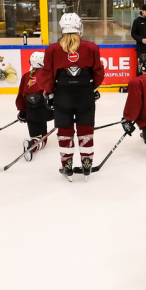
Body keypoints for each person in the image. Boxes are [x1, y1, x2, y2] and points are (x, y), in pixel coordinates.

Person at [36, 13, 105, 181]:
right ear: (79, 27)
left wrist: (49, 92)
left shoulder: (52, 49)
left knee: (65, 130)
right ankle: (87, 161)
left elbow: (46, 75)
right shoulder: (91, 48)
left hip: (62, 96)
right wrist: (92, 88)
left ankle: (66, 164)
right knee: (85, 129)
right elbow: (98, 73)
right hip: (85, 96)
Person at [16, 51, 54, 160]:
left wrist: (23, 112)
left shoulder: (26, 76)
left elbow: (20, 97)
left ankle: (32, 144)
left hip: (31, 114)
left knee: (38, 137)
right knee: (44, 139)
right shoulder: (48, 75)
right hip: (48, 112)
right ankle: (66, 130)